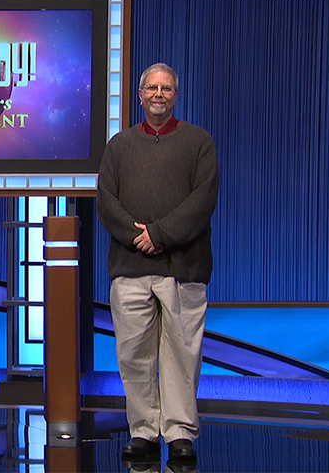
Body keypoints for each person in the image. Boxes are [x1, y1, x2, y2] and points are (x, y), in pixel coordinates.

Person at [96, 63, 219, 461]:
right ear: (140, 94)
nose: (159, 94)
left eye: (166, 88)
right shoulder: (118, 146)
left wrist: (159, 235)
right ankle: (144, 431)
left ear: (176, 95)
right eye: (152, 88)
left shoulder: (199, 142)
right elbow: (106, 202)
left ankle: (179, 432)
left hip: (183, 270)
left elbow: (202, 201)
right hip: (130, 269)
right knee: (134, 355)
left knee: (182, 355)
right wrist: (137, 237)